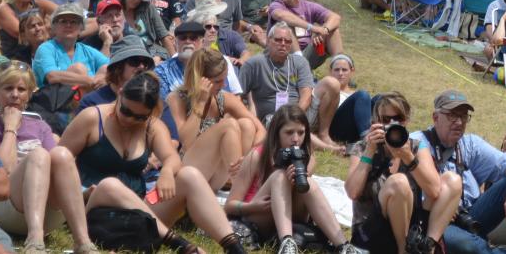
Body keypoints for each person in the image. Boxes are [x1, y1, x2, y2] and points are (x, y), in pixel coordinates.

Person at [61, 73, 248, 254]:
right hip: (91, 210)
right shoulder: (92, 118)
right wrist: (82, 193)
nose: (130, 120)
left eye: (140, 117)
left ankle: (234, 247)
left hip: (140, 212)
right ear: (120, 93)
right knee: (110, 185)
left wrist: (167, 171)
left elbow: (171, 157)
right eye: (126, 111)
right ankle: (181, 245)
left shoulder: (152, 126)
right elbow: (59, 163)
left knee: (189, 175)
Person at [416, 90, 506, 254]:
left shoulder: (470, 144)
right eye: (452, 115)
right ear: (435, 118)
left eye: (464, 116)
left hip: (471, 217)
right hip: (437, 222)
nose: (459, 122)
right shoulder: (419, 142)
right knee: (467, 245)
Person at [0, 62, 99, 254]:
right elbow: (2, 173)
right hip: (5, 208)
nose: (15, 94)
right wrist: (10, 128)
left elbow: (60, 167)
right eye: (8, 88)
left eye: (21, 89)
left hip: (48, 210)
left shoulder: (40, 126)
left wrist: (83, 191)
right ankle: (35, 239)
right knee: (39, 154)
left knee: (61, 153)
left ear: (29, 95)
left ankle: (83, 241)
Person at [225, 105, 356, 254]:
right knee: (280, 176)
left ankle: (344, 246)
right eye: (289, 132)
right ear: (276, 133)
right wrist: (253, 206)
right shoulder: (257, 156)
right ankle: (287, 244)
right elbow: (229, 205)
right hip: (257, 217)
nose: (295, 139)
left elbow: (303, 197)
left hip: (290, 219)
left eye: (301, 133)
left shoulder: (307, 158)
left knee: (309, 183)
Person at [346, 92, 461, 254]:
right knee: (398, 182)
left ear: (406, 120)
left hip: (408, 227)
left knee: (452, 180)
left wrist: (408, 157)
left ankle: (428, 247)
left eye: (398, 118)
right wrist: (369, 152)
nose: (392, 124)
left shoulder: (416, 147)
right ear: (375, 122)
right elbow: (352, 192)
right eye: (386, 120)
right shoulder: (364, 147)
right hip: (372, 232)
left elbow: (435, 191)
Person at [167, 49, 263, 189]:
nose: (223, 85)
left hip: (219, 174)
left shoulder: (223, 98)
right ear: (199, 79)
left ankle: (238, 181)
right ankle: (240, 188)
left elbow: (261, 129)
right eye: (217, 81)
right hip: (189, 172)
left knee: (247, 124)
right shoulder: (176, 98)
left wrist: (248, 158)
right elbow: (186, 142)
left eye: (224, 79)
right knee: (229, 125)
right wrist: (200, 102)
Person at [239, 22, 315, 125]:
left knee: (330, 83)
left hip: (298, 116)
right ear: (269, 41)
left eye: (287, 41)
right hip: (269, 119)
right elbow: (237, 97)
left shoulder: (300, 62)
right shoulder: (253, 64)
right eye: (278, 40)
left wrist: (294, 117)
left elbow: (306, 95)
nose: (283, 43)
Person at [266, 0, 343, 68]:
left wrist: (324, 30)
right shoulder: (276, 5)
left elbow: (335, 17)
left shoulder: (308, 6)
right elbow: (281, 16)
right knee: (285, 26)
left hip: (306, 53)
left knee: (333, 30)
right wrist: (313, 28)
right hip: (283, 55)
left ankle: (340, 66)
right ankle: (299, 66)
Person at [33, 3, 107, 90]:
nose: (68, 25)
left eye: (73, 22)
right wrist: (90, 80)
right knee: (78, 69)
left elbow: (109, 67)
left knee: (105, 69)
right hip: (56, 101)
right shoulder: (46, 48)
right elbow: (52, 76)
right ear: (54, 27)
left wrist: (104, 79)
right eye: (63, 21)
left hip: (91, 97)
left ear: (81, 28)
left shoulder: (87, 50)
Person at [80, 35, 154, 109]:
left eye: (145, 62)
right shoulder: (92, 103)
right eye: (135, 61)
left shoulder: (150, 99)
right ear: (118, 66)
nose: (142, 67)